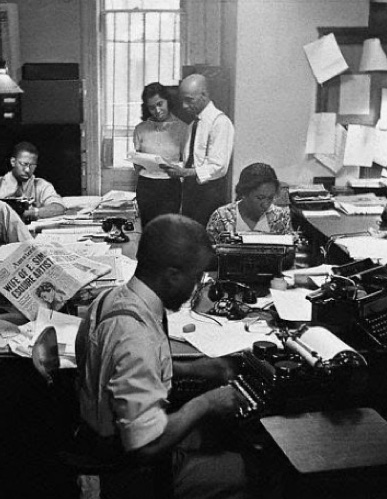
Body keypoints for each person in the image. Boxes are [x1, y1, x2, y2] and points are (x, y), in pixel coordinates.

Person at [75, 214, 250, 499]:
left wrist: (194, 369)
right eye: (195, 278)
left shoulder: (111, 298)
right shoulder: (135, 338)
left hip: (98, 434)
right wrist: (206, 403)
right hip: (128, 472)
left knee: (218, 432)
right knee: (251, 467)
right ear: (172, 275)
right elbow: (145, 445)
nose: (196, 288)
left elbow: (121, 372)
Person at [160, 74, 234, 226]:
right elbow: (193, 161)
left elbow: (218, 167)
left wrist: (185, 172)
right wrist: (174, 167)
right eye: (183, 101)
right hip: (190, 193)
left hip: (209, 194)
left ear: (204, 95)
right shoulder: (193, 124)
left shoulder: (220, 123)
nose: (185, 106)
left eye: (189, 100)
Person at [133, 82, 188, 227]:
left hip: (170, 186)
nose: (157, 110)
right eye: (151, 107)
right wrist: (137, 161)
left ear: (168, 101)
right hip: (146, 186)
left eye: (160, 104)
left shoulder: (183, 128)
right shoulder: (140, 129)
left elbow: (186, 162)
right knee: (147, 228)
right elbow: (137, 164)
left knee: (168, 230)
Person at [206, 162, 292, 245]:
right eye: (260, 198)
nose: (266, 205)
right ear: (244, 194)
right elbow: (209, 254)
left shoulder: (280, 217)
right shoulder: (222, 217)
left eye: (270, 198)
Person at [0, 141, 65, 222]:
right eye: (24, 164)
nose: (27, 170)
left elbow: (58, 208)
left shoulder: (41, 185)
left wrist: (33, 212)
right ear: (13, 162)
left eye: (32, 166)